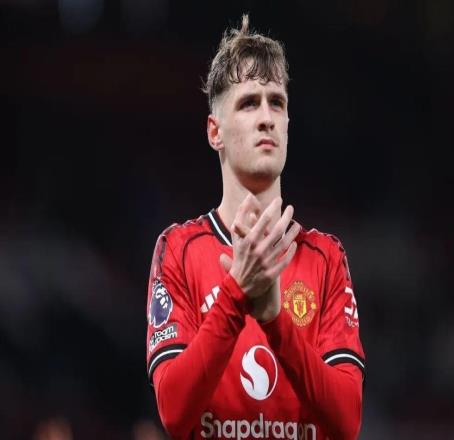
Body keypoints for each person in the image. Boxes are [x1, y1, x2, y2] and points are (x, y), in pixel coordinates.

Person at [146, 15, 365, 440]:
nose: (267, 117)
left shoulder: (325, 258)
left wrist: (276, 322)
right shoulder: (179, 250)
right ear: (215, 132)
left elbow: (347, 421)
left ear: (288, 125)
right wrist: (236, 294)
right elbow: (173, 411)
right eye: (249, 103)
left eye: (276, 103)